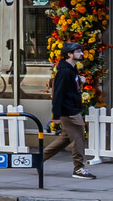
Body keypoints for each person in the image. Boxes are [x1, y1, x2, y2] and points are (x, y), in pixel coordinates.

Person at [43, 42, 96, 180]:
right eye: (78, 51)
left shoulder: (72, 70)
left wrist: (80, 80)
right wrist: (56, 115)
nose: (82, 54)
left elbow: (72, 89)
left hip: (72, 108)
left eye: (81, 51)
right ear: (69, 54)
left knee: (65, 139)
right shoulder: (65, 72)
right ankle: (78, 168)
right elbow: (58, 94)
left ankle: (37, 160)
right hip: (69, 111)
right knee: (79, 138)